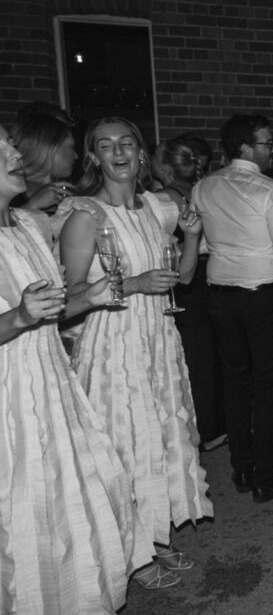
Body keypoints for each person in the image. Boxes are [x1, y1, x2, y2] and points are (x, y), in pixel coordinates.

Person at [0, 121, 151, 612]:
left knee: (77, 497)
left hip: (51, 378)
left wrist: (97, 294)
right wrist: (18, 316)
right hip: (10, 391)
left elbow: (58, 306)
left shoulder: (25, 224)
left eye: (9, 141)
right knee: (21, 512)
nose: (13, 152)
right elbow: (27, 313)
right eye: (1, 146)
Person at [56, 115, 213, 590]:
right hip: (112, 343)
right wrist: (135, 284)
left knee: (160, 435)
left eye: (127, 143)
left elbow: (182, 278)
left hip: (156, 338)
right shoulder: (86, 215)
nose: (119, 152)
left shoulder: (154, 207)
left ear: (143, 153)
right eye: (106, 146)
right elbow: (69, 298)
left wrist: (189, 235)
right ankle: (129, 552)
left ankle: (154, 537)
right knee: (123, 441)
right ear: (94, 158)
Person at [192, 114, 273, 503]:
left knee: (234, 383)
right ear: (245, 149)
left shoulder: (203, 187)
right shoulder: (269, 190)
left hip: (221, 297)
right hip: (262, 297)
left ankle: (241, 467)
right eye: (267, 143)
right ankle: (266, 475)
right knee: (267, 387)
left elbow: (203, 245)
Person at [156, 134, 227, 452]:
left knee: (193, 357)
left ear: (168, 166)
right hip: (211, 275)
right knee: (209, 352)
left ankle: (202, 426)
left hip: (183, 279)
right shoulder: (210, 192)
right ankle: (214, 423)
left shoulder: (160, 200)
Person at [10, 110, 77, 213]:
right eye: (71, 147)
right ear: (51, 148)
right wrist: (30, 207)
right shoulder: (10, 193)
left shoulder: (68, 190)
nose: (76, 156)